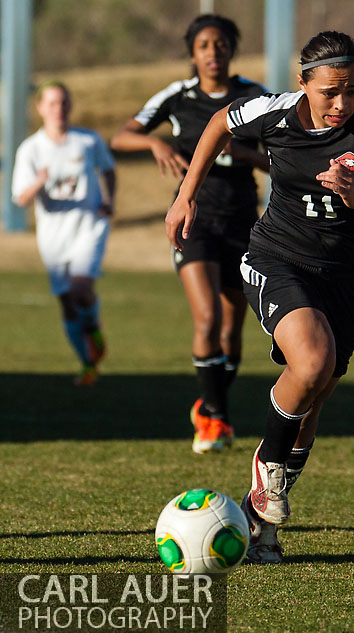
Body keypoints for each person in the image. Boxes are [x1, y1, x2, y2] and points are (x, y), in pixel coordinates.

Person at [165, 31, 354, 563]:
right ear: (302, 83)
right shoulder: (274, 113)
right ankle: (266, 483)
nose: (341, 103)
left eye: (351, 90)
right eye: (329, 91)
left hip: (346, 277)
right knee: (312, 359)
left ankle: (261, 525)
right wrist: (185, 196)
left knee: (313, 396)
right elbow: (218, 124)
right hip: (277, 257)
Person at [110, 15, 269, 454]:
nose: (212, 52)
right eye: (203, 45)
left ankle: (213, 406)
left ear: (232, 49)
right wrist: (155, 143)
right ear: (192, 53)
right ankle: (214, 419)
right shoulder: (177, 97)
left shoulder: (255, 97)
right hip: (192, 219)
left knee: (233, 328)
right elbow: (122, 137)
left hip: (242, 223)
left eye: (220, 44)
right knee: (207, 319)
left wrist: (241, 153)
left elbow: (282, 162)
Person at [11, 81, 116, 387]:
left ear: (70, 106)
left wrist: (110, 201)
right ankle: (87, 363)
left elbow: (108, 169)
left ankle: (93, 325)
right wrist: (38, 182)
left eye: (64, 103)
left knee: (81, 289)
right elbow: (20, 198)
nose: (59, 109)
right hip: (53, 236)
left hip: (88, 226)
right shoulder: (31, 149)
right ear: (41, 108)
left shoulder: (87, 141)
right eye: (52, 103)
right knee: (67, 302)